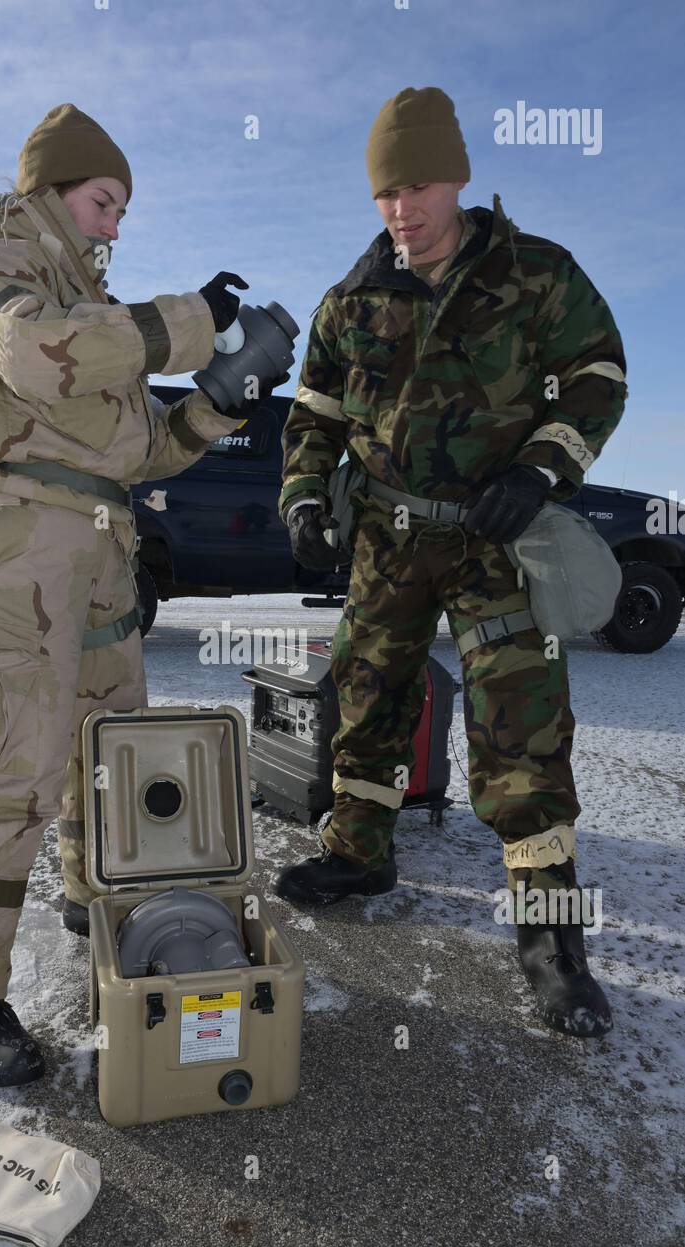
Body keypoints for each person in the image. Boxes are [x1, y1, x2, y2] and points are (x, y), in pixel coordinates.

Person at [0, 102, 280, 1086]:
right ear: (48, 189)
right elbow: (35, 353)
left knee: (108, 747)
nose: (116, 224)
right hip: (23, 544)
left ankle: (92, 897)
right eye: (103, 199)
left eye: (122, 208)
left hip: (103, 546)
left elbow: (146, 448)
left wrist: (221, 397)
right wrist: (190, 321)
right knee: (10, 770)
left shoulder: (93, 310)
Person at [275, 87, 627, 1039]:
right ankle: (358, 849)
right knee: (366, 692)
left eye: (419, 185)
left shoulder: (536, 275)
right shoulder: (350, 302)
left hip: (496, 538)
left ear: (459, 178)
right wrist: (305, 496)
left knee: (522, 726)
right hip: (388, 537)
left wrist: (544, 465)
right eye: (386, 192)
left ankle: (551, 938)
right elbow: (313, 417)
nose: (402, 209)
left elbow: (598, 377)